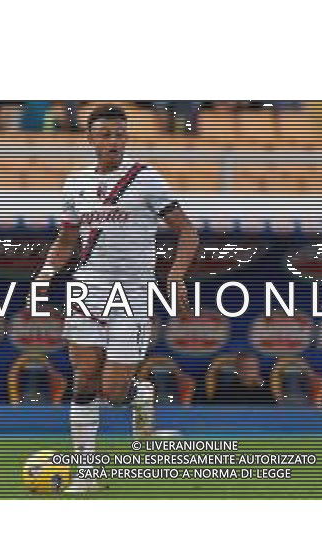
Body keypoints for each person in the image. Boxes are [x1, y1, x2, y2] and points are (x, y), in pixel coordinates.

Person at [30, 104, 199, 493]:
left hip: (133, 293)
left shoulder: (145, 177)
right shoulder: (75, 183)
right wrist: (44, 275)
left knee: (112, 390)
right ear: (90, 138)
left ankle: (140, 404)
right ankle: (86, 471)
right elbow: (67, 240)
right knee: (85, 379)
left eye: (119, 133)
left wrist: (175, 277)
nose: (112, 140)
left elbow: (188, 232)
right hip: (88, 289)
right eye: (104, 133)